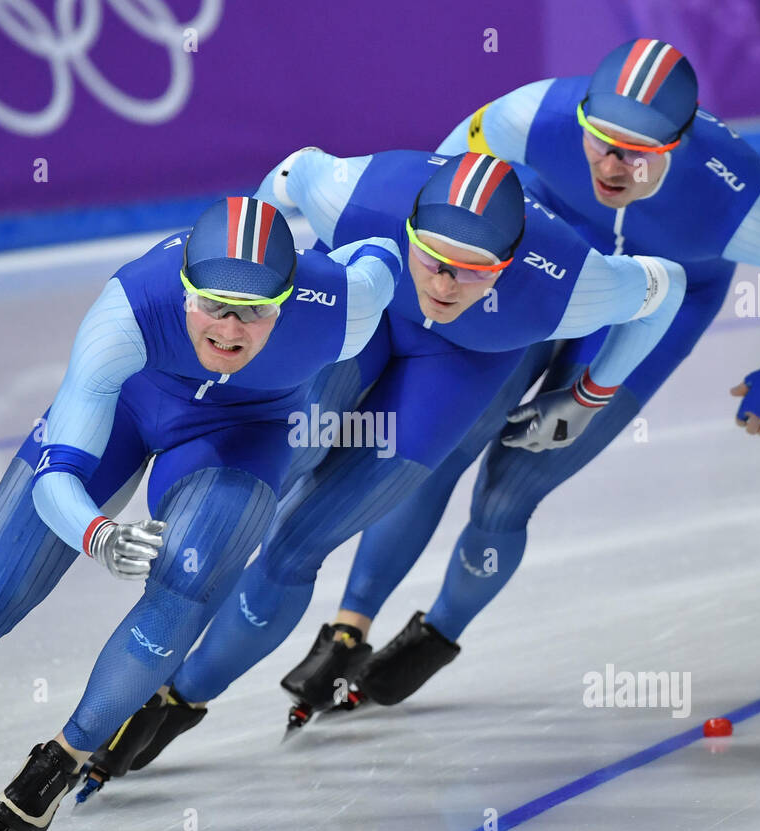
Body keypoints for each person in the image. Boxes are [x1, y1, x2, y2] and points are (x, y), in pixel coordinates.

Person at [0, 197, 402, 831]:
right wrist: (97, 535)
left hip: (244, 434)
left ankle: (66, 754)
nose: (229, 329)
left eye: (255, 311)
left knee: (184, 586)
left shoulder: (345, 304)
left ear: (288, 299)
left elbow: (388, 247)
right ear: (183, 292)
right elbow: (59, 478)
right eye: (212, 305)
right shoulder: (128, 310)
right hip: (130, 406)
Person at [80, 147, 689, 784]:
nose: (445, 285)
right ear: (407, 232)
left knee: (297, 543)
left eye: (473, 272)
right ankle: (145, 674)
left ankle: (179, 701)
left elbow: (667, 285)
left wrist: (591, 396)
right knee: (255, 488)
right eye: (433, 261)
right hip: (358, 314)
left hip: (457, 370)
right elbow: (271, 198)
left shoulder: (571, 279)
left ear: (507, 265)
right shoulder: (358, 190)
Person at [313, 37, 760, 714]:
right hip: (534, 283)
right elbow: (443, 185)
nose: (611, 164)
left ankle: (437, 634)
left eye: (638, 152)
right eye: (599, 140)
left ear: (680, 144)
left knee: (512, 486)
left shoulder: (739, 204)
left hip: (656, 310)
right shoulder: (535, 114)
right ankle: (350, 626)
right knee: (439, 443)